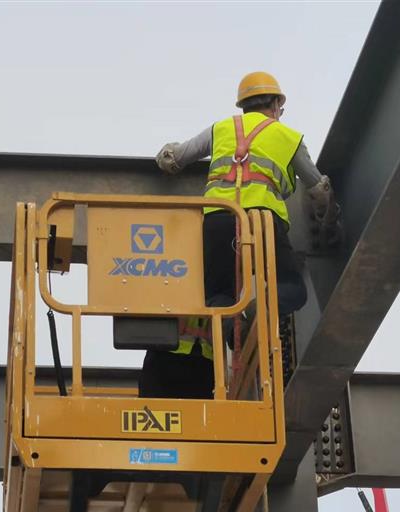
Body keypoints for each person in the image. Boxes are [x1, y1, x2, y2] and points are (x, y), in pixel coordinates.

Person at [139, 71, 338, 399]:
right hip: (262, 223)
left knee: (218, 295)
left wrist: (165, 158)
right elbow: (317, 187)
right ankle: (255, 308)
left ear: (243, 105)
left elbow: (176, 157)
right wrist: (329, 218)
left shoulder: (221, 130)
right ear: (275, 104)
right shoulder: (287, 137)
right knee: (292, 289)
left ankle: (237, 321)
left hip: (218, 221)